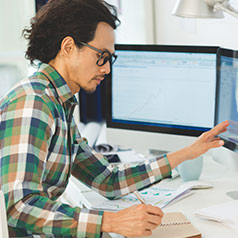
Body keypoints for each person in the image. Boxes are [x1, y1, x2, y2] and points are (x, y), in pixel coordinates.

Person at [0, 0, 229, 237]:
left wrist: (187, 152)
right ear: (68, 47)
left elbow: (106, 180)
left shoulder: (59, 102)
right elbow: (18, 207)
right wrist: (110, 222)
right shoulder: (34, 103)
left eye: (110, 59)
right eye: (101, 56)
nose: (107, 69)